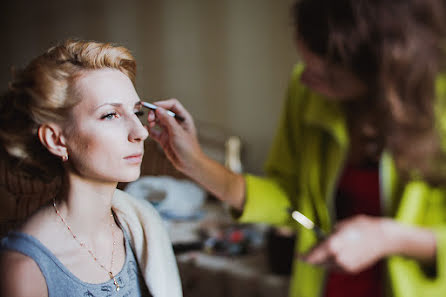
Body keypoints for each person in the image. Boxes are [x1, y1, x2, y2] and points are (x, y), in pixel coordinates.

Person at [145, 0, 446, 297]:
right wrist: (195, 163)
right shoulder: (306, 91)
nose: (304, 78)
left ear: (383, 73)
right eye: (305, 62)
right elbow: (290, 201)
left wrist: (389, 238)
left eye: (325, 76)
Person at [0, 40, 182, 297]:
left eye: (137, 113)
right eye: (110, 115)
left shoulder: (139, 228)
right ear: (56, 140)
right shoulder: (25, 269)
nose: (141, 132)